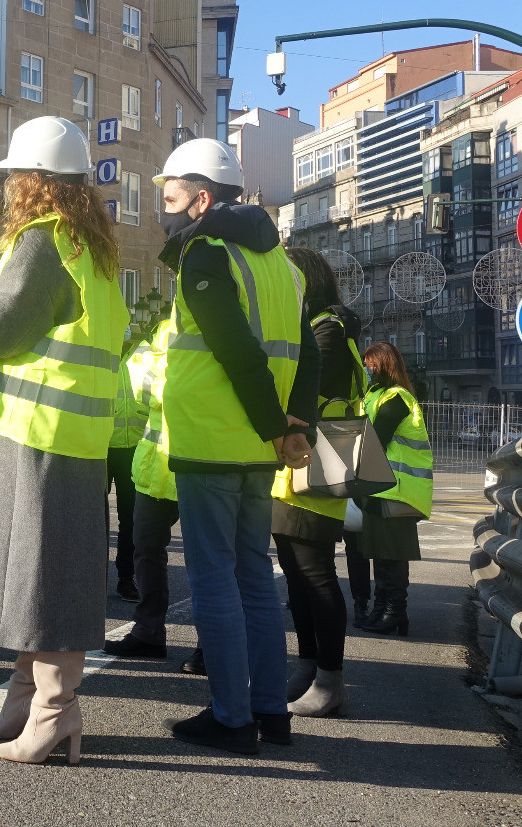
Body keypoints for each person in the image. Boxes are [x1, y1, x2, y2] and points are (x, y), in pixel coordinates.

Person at [0, 115, 126, 767]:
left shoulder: (43, 243)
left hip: (35, 437)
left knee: (43, 577)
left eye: (16, 177)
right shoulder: (92, 251)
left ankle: (55, 711)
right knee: (42, 574)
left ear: (34, 182)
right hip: (71, 438)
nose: (10, 188)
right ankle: (28, 702)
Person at [153, 137, 320, 756]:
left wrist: (276, 427)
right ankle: (270, 712)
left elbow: (235, 350)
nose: (164, 211)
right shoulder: (282, 264)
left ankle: (230, 718)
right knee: (253, 576)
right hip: (258, 448)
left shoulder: (205, 253)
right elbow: (307, 352)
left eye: (170, 198)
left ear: (201, 199)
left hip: (216, 441)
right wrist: (289, 426)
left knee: (215, 580)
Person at [271, 246, 364, 719]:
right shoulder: (324, 326)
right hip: (307, 455)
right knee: (296, 569)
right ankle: (308, 668)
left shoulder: (328, 329)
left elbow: (307, 388)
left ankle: (330, 679)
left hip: (322, 453)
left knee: (315, 572)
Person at [104, 320, 204, 669]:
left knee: (209, 562)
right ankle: (149, 632)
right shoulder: (165, 328)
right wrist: (183, 382)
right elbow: (142, 388)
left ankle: (211, 643)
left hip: (200, 462)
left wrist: (168, 376)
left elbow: (156, 384)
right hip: (158, 468)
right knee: (146, 550)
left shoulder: (219, 323)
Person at [346, 342, 432, 638]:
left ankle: (394, 611)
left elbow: (375, 440)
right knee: (382, 556)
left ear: (384, 365)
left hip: (397, 490)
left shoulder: (396, 398)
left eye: (371, 364)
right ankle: (385, 610)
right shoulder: (374, 396)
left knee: (392, 556)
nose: (367, 370)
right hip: (382, 489)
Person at [106, 331, 142, 602]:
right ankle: (90, 578)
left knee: (130, 520)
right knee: (93, 519)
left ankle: (126, 578)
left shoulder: (139, 361)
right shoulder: (99, 360)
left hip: (134, 450)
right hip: (100, 449)